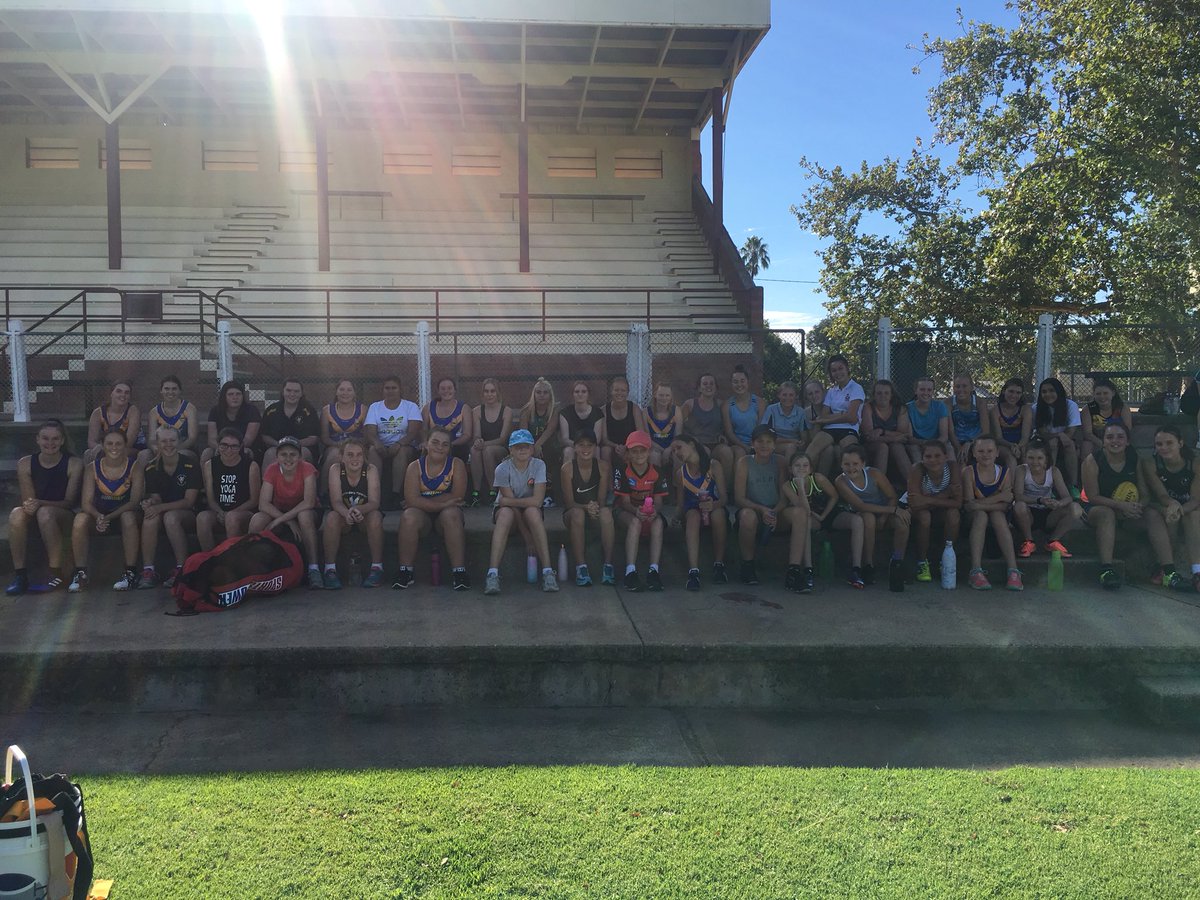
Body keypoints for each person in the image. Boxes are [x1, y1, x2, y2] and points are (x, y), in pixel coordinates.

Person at [1082, 422, 1176, 590]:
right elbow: (1092, 497)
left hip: (1127, 512)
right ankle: (1106, 570)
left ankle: (1169, 571)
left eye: (1120, 437)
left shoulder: (1134, 458)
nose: (1115, 441)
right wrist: (1120, 506)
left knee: (1153, 515)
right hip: (1099, 509)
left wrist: (1137, 507)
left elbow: (1145, 494)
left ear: (1127, 441)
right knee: (1107, 514)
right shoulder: (1093, 460)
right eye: (1109, 437)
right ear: (1103, 441)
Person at [6, 420, 83, 595]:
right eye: (45, 438)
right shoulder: (25, 463)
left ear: (62, 440)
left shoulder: (74, 464)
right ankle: (20, 575)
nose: (50, 443)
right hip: (39, 510)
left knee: (45, 513)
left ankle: (56, 573)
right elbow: (29, 500)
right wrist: (33, 505)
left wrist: (39, 504)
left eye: (55, 439)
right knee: (16, 514)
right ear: (37, 440)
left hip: (64, 513)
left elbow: (69, 501)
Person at [733, 425, 809, 590]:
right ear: (753, 444)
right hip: (754, 510)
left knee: (800, 514)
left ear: (775, 445)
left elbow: (784, 496)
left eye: (769, 442)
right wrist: (762, 510)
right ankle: (747, 565)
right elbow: (739, 498)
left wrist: (773, 512)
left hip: (777, 511)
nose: (764, 445)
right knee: (747, 516)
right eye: (760, 441)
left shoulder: (781, 461)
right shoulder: (744, 462)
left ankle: (794, 571)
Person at [393, 427, 469, 591]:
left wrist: (423, 500)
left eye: (445, 444)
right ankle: (405, 571)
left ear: (449, 448)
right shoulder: (414, 467)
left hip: (445, 518)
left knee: (452, 514)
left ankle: (459, 572)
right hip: (423, 519)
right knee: (408, 516)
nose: (439, 447)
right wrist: (441, 503)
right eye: (435, 442)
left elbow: (458, 496)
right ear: (426, 444)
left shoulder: (457, 465)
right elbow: (411, 500)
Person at [484, 429, 558, 595]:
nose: (522, 450)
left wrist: (509, 501)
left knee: (532, 511)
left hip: (529, 510)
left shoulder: (539, 465)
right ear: (511, 450)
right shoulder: (502, 469)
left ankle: (548, 571)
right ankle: (492, 573)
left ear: (532, 449)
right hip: (510, 512)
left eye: (526, 446)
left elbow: (538, 501)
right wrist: (527, 537)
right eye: (518, 447)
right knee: (505, 514)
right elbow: (511, 506)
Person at [69, 428, 144, 592]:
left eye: (119, 443)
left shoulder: (134, 466)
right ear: (102, 445)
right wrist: (98, 516)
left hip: (123, 513)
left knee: (128, 517)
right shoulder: (92, 468)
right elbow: (86, 502)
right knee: (80, 519)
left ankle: (130, 572)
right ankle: (80, 573)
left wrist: (108, 517)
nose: (114, 447)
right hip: (100, 517)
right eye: (109, 443)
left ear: (125, 445)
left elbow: (134, 501)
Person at [784, 450, 864, 589]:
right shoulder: (788, 486)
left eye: (805, 465)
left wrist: (824, 515)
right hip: (811, 517)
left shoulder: (818, 478)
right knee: (806, 522)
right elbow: (805, 510)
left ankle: (856, 569)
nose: (802, 469)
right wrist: (801, 488)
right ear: (791, 469)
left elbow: (834, 496)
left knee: (857, 521)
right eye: (797, 466)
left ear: (811, 468)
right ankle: (808, 569)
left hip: (830, 514)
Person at [834, 443, 910, 591]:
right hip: (864, 512)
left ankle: (897, 561)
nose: (851, 468)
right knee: (868, 517)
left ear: (863, 463)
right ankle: (868, 564)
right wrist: (891, 510)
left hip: (885, 511)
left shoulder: (875, 474)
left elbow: (892, 496)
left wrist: (884, 516)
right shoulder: (840, 481)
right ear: (841, 465)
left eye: (855, 463)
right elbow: (861, 506)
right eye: (847, 464)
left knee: (902, 522)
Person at [250, 435, 321, 589]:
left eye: (293, 454)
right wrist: (287, 520)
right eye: (283, 454)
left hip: (305, 511)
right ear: (277, 457)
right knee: (257, 519)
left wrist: (280, 520)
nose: (288, 458)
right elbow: (263, 504)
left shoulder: (307, 468)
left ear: (300, 456)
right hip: (280, 512)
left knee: (304, 516)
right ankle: (254, 569)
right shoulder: (272, 469)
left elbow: (308, 502)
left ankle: (314, 568)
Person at [137, 426, 201, 589]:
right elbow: (156, 499)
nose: (168, 444)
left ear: (179, 442)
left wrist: (159, 507)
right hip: (164, 511)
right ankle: (148, 570)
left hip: (188, 514)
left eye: (172, 440)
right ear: (157, 443)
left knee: (170, 518)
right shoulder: (151, 468)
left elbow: (189, 501)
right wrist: (150, 504)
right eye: (163, 441)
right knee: (150, 516)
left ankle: (181, 568)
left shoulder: (190, 465)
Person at [1140, 424, 1200, 592]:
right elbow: (1161, 495)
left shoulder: (1194, 463)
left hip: (1189, 506)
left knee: (1192, 515)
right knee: (1168, 517)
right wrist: (1173, 506)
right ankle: (1167, 569)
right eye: (1159, 444)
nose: (1164, 448)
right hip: (1164, 505)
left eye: (1169, 443)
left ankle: (1197, 572)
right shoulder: (1151, 463)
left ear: (1180, 443)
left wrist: (1180, 509)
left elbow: (1196, 499)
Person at [320, 437, 384, 589]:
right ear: (341, 457)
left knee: (376, 517)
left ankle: (377, 567)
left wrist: (359, 510)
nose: (355, 458)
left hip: (364, 516)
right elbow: (335, 501)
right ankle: (329, 569)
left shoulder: (370, 470)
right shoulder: (335, 469)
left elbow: (375, 502)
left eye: (359, 454)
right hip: (344, 518)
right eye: (350, 454)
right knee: (331, 518)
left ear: (364, 456)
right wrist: (346, 513)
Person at [961, 436, 1022, 591]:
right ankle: (975, 570)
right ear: (973, 453)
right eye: (980, 451)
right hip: (973, 518)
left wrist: (980, 504)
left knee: (998, 516)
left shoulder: (1004, 472)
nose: (985, 454)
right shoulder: (968, 472)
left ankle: (1013, 570)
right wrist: (999, 497)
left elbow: (1005, 506)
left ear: (997, 453)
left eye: (989, 451)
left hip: (997, 515)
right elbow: (968, 505)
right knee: (981, 515)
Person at [671, 433, 729, 592]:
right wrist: (675, 518)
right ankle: (693, 571)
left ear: (691, 444)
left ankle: (719, 564)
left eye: (679, 447)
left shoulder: (714, 465)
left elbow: (724, 498)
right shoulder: (680, 474)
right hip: (693, 512)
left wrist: (714, 504)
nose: (677, 452)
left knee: (719, 514)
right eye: (674, 450)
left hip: (712, 507)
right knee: (693, 516)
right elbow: (681, 504)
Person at [613, 430, 669, 591]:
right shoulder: (622, 470)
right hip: (627, 512)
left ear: (649, 451)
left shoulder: (657, 471)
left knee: (658, 524)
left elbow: (659, 501)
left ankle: (654, 570)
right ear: (628, 453)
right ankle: (630, 571)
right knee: (636, 522)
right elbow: (624, 502)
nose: (638, 455)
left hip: (649, 512)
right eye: (634, 451)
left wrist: (654, 512)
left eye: (642, 450)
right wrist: (636, 511)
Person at [559, 431, 614, 586]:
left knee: (606, 513)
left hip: (595, 509)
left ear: (595, 448)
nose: (585, 448)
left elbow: (602, 500)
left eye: (590, 445)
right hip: (574, 511)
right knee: (577, 514)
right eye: (581, 445)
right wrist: (585, 507)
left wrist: (594, 507)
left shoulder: (603, 466)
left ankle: (608, 565)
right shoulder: (567, 469)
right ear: (575, 448)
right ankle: (581, 567)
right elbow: (569, 503)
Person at [1012, 440, 1083, 559]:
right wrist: (1039, 500)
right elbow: (1018, 496)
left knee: (1076, 509)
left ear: (1046, 459)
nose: (1035, 462)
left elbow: (1067, 497)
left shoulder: (1054, 471)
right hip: (1027, 513)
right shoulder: (1021, 470)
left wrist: (1058, 503)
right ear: (1025, 458)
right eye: (1031, 458)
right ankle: (1029, 541)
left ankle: (1053, 541)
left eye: (1039, 458)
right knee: (1019, 506)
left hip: (1047, 513)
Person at [906, 440, 962, 584]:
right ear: (922, 458)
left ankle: (946, 558)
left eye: (937, 456)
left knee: (954, 514)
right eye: (928, 456)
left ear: (945, 456)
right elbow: (914, 504)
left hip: (941, 510)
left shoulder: (953, 467)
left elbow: (958, 502)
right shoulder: (917, 470)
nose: (933, 460)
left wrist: (928, 500)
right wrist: (945, 494)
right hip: (920, 512)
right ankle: (922, 562)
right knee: (925, 517)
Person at [197, 427, 261, 552]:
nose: (228, 450)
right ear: (218, 445)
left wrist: (230, 513)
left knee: (232, 518)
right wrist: (220, 512)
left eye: (234, 446)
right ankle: (210, 559)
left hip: (244, 512)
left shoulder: (251, 466)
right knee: (202, 518)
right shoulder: (209, 465)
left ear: (241, 446)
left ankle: (233, 559)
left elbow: (254, 500)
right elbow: (211, 499)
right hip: (219, 511)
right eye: (224, 445)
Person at [364, 375, 422, 502]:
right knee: (373, 450)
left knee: (401, 452)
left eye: (394, 388)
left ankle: (396, 494)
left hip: (405, 445)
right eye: (387, 388)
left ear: (400, 389)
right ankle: (375, 494)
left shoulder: (410, 406)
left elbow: (413, 432)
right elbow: (370, 432)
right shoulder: (375, 407)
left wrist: (399, 443)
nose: (390, 391)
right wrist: (377, 443)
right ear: (383, 390)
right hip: (381, 445)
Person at [809, 355, 866, 475]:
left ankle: (854, 487)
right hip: (830, 429)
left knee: (851, 456)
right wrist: (842, 414)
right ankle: (807, 484)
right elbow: (824, 416)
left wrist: (830, 418)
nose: (838, 373)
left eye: (840, 368)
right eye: (834, 370)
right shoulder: (831, 391)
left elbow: (851, 418)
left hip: (849, 429)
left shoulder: (856, 388)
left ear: (847, 369)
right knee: (811, 451)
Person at [682, 372, 733, 496]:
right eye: (705, 384)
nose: (708, 386)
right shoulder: (690, 404)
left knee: (726, 452)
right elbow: (680, 427)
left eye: (711, 384)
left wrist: (723, 436)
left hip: (715, 443)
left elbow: (726, 426)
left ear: (716, 388)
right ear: (699, 387)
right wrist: (690, 440)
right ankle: (702, 490)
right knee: (705, 452)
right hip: (696, 444)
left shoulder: (721, 405)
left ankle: (724, 491)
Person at [469, 378, 513, 506]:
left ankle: (492, 491)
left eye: (493, 391)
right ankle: (476, 493)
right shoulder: (477, 411)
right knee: (474, 450)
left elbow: (503, 439)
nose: (489, 394)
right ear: (482, 393)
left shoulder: (506, 411)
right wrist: (478, 441)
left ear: (498, 392)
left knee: (487, 451)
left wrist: (484, 444)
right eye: (486, 391)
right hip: (483, 447)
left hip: (501, 449)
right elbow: (476, 434)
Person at [1032, 377, 1082, 487]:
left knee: (1069, 445)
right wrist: (1059, 435)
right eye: (1044, 392)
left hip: (1065, 440)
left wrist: (1061, 437)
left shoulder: (1071, 405)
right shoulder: (1036, 408)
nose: (1047, 394)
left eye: (1051, 391)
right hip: (1043, 440)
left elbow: (1071, 432)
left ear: (1058, 391)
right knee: (1052, 443)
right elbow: (1043, 433)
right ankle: (1049, 483)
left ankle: (1073, 485)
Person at [517, 378, 560, 506]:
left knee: (549, 453)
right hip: (530, 444)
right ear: (534, 394)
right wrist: (531, 447)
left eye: (545, 392)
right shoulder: (526, 410)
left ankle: (549, 494)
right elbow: (523, 432)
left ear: (550, 395)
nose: (542, 395)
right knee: (523, 455)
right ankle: (527, 492)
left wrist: (538, 445)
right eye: (538, 392)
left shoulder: (554, 409)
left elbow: (550, 430)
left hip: (548, 444)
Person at [860, 379, 912, 483]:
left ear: (891, 395)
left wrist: (882, 431)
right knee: (882, 446)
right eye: (879, 393)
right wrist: (893, 437)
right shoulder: (868, 408)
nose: (882, 396)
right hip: (871, 445)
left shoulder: (900, 409)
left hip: (895, 444)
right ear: (874, 395)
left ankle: (912, 485)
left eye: (886, 393)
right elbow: (869, 436)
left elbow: (903, 434)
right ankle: (878, 487)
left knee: (897, 446)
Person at [261, 379, 321, 468]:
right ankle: (268, 482)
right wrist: (279, 445)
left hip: (302, 448)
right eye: (288, 390)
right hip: (277, 447)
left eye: (296, 391)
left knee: (301, 455)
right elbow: (265, 435)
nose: (292, 394)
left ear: (301, 393)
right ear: (283, 392)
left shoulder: (309, 411)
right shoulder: (271, 410)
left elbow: (313, 438)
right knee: (269, 454)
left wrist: (291, 444)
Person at [319, 379, 368, 487]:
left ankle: (363, 490)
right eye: (341, 389)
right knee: (335, 455)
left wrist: (351, 445)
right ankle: (323, 493)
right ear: (336, 392)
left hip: (358, 446)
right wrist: (340, 445)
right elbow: (324, 438)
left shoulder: (363, 409)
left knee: (359, 456)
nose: (345, 393)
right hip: (334, 445)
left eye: (349, 390)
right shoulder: (327, 410)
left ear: (354, 393)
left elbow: (366, 437)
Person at [141, 375, 198, 463]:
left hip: (183, 448)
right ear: (161, 391)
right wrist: (156, 449)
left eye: (174, 389)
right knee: (144, 455)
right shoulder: (154, 412)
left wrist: (174, 450)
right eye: (166, 389)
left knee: (184, 455)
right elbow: (152, 439)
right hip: (161, 449)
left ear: (180, 391)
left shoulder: (189, 409)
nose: (170, 392)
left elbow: (192, 438)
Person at [204, 380, 261, 463]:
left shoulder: (252, 411)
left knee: (246, 452)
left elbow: (248, 440)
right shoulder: (215, 411)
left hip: (244, 447)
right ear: (224, 397)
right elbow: (211, 439)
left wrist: (232, 448)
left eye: (238, 394)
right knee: (207, 453)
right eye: (230, 394)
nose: (235, 397)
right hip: (221, 448)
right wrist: (223, 449)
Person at [84, 381, 140, 462]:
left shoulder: (133, 411)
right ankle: (92, 474)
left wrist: (108, 449)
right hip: (106, 448)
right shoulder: (98, 413)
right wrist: (100, 448)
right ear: (111, 393)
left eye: (127, 393)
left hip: (129, 449)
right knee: (88, 453)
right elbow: (91, 441)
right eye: (119, 391)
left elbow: (129, 442)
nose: (123, 395)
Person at [599, 375, 646, 467]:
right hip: (612, 446)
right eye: (616, 390)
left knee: (637, 451)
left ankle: (635, 480)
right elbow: (604, 438)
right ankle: (608, 480)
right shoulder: (604, 410)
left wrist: (627, 447)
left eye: (623, 390)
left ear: (628, 392)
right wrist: (616, 446)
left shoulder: (634, 408)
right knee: (605, 450)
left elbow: (640, 433)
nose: (619, 393)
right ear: (611, 392)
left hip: (631, 446)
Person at [1082, 378, 1133, 462]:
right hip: (1097, 441)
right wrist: (1104, 444)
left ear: (1113, 393)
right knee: (1086, 445)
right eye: (1098, 394)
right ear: (1094, 395)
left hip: (1117, 439)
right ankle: (1086, 471)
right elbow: (1087, 434)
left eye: (1105, 393)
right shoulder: (1088, 409)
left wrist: (1113, 442)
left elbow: (1127, 429)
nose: (1102, 397)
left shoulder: (1122, 408)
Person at [424, 376, 473, 464]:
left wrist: (450, 444)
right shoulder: (428, 407)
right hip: (433, 446)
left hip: (455, 446)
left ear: (455, 390)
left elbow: (467, 435)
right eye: (443, 389)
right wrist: (426, 443)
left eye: (449, 388)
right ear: (438, 391)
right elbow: (423, 430)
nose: (446, 391)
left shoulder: (464, 408)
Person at [905, 376, 951, 467]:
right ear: (916, 391)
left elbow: (944, 436)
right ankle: (921, 476)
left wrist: (932, 446)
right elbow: (909, 437)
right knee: (914, 449)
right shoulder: (907, 408)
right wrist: (924, 444)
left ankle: (952, 478)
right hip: (917, 443)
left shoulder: (940, 406)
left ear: (933, 391)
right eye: (922, 389)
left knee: (949, 448)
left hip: (938, 442)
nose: (926, 393)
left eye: (929, 390)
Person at [721, 365, 762, 465]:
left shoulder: (759, 402)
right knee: (740, 453)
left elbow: (761, 428)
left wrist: (755, 445)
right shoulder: (727, 405)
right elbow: (729, 433)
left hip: (757, 442)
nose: (739, 384)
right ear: (731, 384)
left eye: (742, 381)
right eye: (735, 382)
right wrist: (745, 447)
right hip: (737, 444)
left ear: (748, 382)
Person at [947, 373, 991, 466]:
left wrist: (970, 442)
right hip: (956, 441)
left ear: (971, 387)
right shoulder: (948, 403)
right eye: (957, 386)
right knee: (960, 460)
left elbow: (985, 431)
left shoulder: (980, 402)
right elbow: (950, 431)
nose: (961, 390)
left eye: (964, 386)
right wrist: (959, 448)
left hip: (976, 440)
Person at [559, 380, 604, 466]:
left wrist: (586, 447)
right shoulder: (565, 413)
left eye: (583, 391)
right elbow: (565, 438)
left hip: (591, 445)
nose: (580, 394)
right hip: (572, 446)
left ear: (588, 394)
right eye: (577, 392)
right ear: (572, 394)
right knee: (568, 451)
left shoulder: (597, 412)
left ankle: (597, 478)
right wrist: (579, 447)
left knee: (597, 450)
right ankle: (567, 478)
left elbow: (597, 439)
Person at [760, 381, 807, 461]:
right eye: (784, 395)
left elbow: (804, 437)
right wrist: (791, 441)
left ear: (796, 396)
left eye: (791, 395)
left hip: (795, 445)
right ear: (779, 395)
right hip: (773, 444)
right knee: (790, 447)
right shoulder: (771, 409)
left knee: (792, 447)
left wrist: (801, 443)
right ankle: (787, 472)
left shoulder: (801, 412)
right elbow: (766, 435)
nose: (787, 398)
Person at [991, 377, 1032, 466]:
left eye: (1018, 393)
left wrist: (1018, 447)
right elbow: (998, 438)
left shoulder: (1025, 409)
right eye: (1011, 391)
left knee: (1025, 455)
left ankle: (1028, 480)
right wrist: (1011, 446)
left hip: (1021, 444)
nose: (1014, 395)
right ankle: (1012, 480)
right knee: (1011, 457)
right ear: (1003, 391)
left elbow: (1025, 437)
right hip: (1003, 445)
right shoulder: (995, 410)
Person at [645, 383, 684, 470]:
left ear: (671, 397)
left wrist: (669, 449)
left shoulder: (676, 411)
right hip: (654, 446)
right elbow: (647, 437)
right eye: (661, 395)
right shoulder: (646, 412)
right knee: (654, 456)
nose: (664, 398)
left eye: (667, 395)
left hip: (672, 445)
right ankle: (657, 482)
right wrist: (661, 450)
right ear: (655, 395)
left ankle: (676, 482)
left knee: (679, 455)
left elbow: (678, 436)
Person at [801, 378, 834, 476]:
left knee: (830, 449)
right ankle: (813, 480)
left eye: (817, 392)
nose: (814, 396)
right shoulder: (806, 412)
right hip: (816, 442)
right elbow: (811, 438)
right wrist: (818, 423)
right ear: (806, 397)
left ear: (823, 392)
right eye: (810, 394)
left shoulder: (833, 407)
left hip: (836, 440)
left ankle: (820, 482)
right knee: (828, 449)